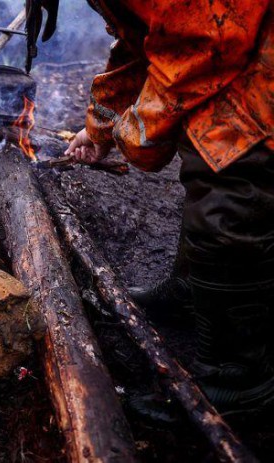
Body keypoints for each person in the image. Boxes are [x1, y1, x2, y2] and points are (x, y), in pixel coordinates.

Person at [65, 0, 274, 414]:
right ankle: (194, 291)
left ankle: (239, 381)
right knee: (209, 153)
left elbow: (206, 40)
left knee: (234, 178)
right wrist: (101, 126)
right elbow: (149, 41)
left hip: (258, 59)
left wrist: (135, 129)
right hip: (235, 44)